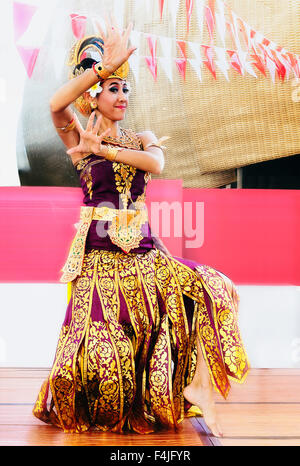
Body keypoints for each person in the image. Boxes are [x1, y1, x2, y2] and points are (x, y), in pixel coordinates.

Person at [33, 18, 249, 437]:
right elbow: (56, 106)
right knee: (103, 369)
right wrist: (101, 68)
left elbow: (156, 163)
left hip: (144, 255)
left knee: (215, 288)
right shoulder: (77, 138)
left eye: (125, 87)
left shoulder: (140, 137)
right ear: (94, 95)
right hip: (98, 260)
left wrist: (108, 149)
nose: (122, 95)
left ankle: (160, 397)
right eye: (113, 88)